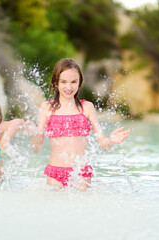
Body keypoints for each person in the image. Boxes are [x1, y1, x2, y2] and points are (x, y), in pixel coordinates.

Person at [31, 58, 131, 190]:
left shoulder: (87, 108)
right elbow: (36, 147)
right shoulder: (47, 108)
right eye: (63, 82)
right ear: (56, 83)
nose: (69, 87)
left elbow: (103, 144)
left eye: (74, 82)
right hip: (55, 172)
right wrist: (33, 132)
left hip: (81, 173)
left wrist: (111, 140)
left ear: (79, 83)